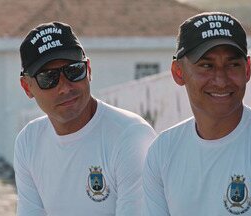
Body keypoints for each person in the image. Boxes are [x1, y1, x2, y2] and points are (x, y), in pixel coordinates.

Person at [142, 12, 251, 215]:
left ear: (248, 69)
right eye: (206, 66)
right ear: (178, 72)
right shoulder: (162, 152)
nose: (221, 80)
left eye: (233, 65)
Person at [14, 21, 156, 216]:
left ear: (88, 69)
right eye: (48, 78)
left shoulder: (130, 136)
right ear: (27, 87)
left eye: (74, 70)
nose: (65, 87)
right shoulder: (29, 141)